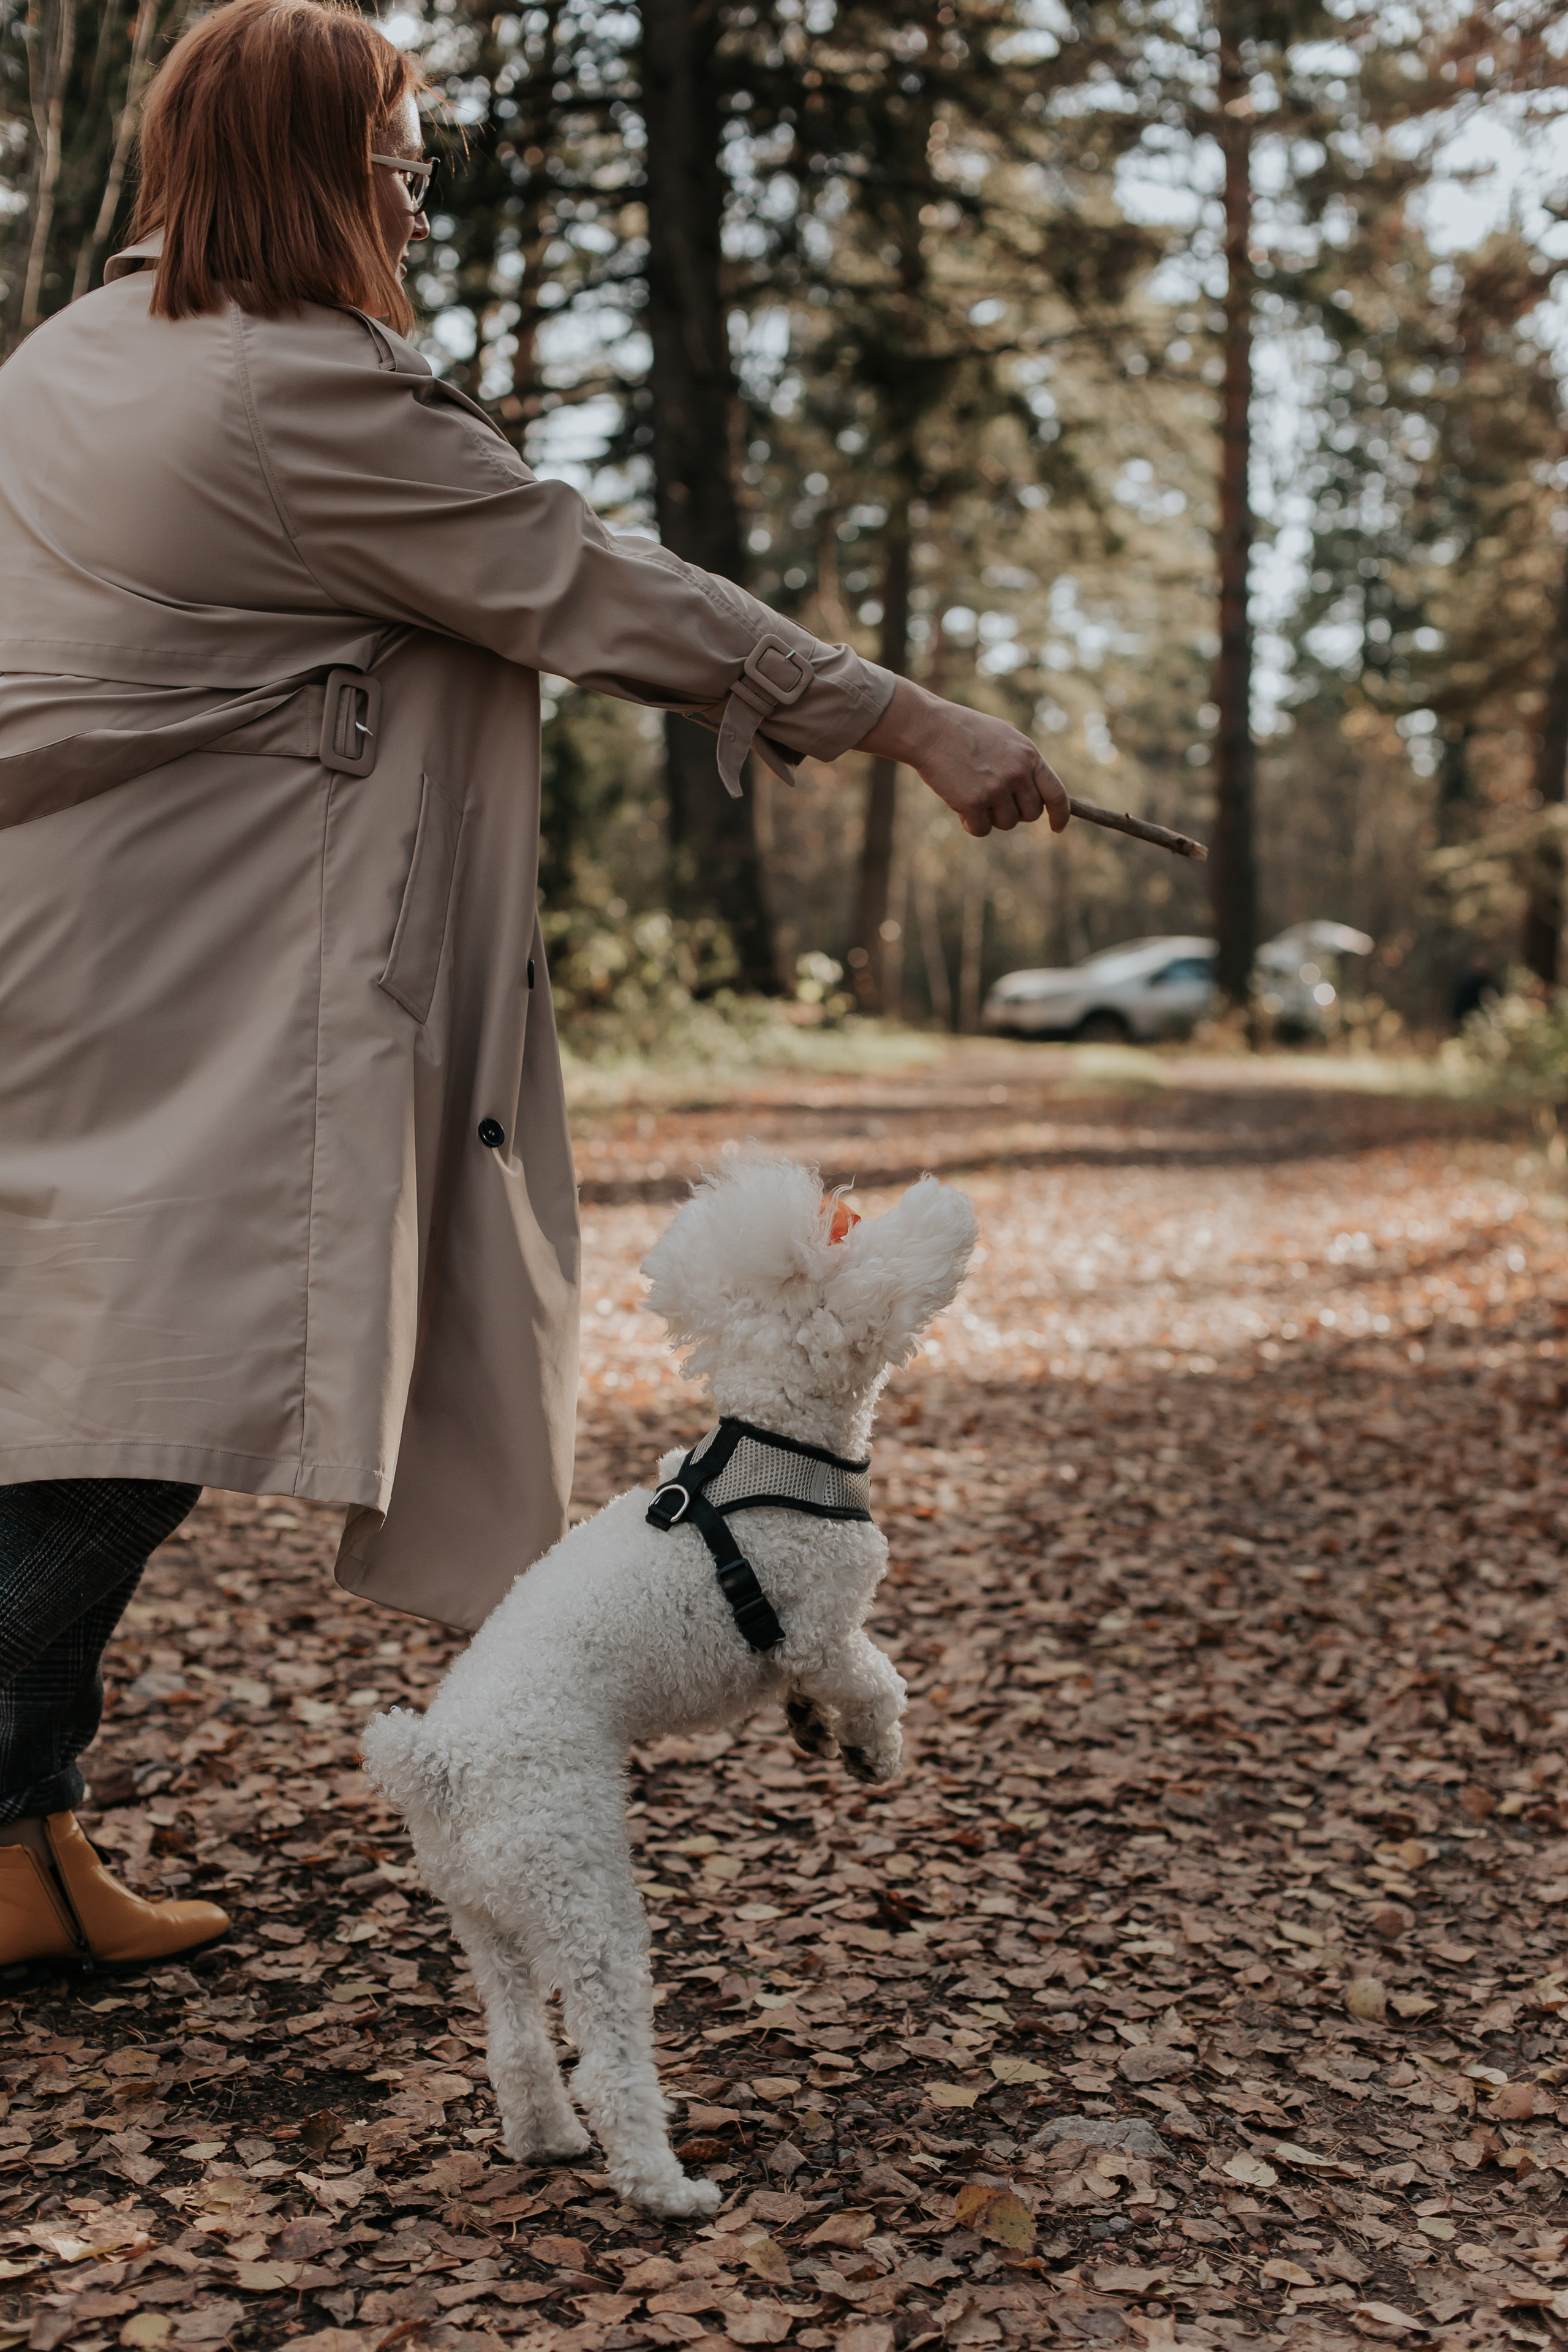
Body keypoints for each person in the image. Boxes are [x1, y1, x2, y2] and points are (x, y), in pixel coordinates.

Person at [0, 0, 1066, 1971]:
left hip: (87, 951)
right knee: (116, 1428)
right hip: (196, 987)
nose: (423, 170)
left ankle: (23, 1849)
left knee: (78, 1398)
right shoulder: (284, 400)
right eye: (398, 136)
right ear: (313, 156)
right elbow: (592, 580)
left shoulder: (75, 353)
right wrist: (908, 715)